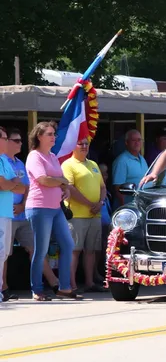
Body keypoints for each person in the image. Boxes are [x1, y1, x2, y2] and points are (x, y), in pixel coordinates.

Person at [25, 121, 80, 301]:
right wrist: (61, 181)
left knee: (68, 245)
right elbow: (44, 180)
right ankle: (37, 289)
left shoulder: (53, 157)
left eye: (53, 134)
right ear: (39, 136)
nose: (53, 137)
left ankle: (64, 287)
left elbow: (59, 180)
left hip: (56, 208)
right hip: (39, 207)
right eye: (49, 134)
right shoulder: (34, 156)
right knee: (41, 250)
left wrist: (63, 186)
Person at [4, 129, 60, 300]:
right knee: (4, 252)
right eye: (16, 140)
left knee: (35, 249)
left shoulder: (20, 163)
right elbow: (5, 185)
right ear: (7, 143)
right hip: (6, 212)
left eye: (21, 140)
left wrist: (22, 204)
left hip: (22, 213)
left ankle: (54, 283)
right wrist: (13, 188)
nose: (20, 143)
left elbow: (26, 187)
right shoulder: (2, 162)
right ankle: (3, 288)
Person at [62, 138, 107, 292]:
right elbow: (70, 188)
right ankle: (72, 285)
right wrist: (89, 204)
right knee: (74, 250)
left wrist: (100, 203)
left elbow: (103, 187)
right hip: (77, 215)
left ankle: (89, 283)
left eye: (86, 143)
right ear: (72, 146)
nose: (84, 146)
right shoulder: (68, 165)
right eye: (80, 143)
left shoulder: (93, 164)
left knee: (91, 250)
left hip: (95, 215)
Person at [0, 127, 25, 303]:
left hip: (6, 213)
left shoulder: (4, 160)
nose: (6, 140)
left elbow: (23, 187)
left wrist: (12, 183)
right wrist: (12, 183)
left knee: (2, 254)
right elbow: (4, 185)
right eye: (4, 138)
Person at [111, 129, 147, 207]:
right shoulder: (121, 161)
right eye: (133, 140)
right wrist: (125, 208)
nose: (137, 143)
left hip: (141, 205)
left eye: (139, 140)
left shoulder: (142, 159)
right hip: (128, 208)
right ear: (126, 142)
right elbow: (118, 189)